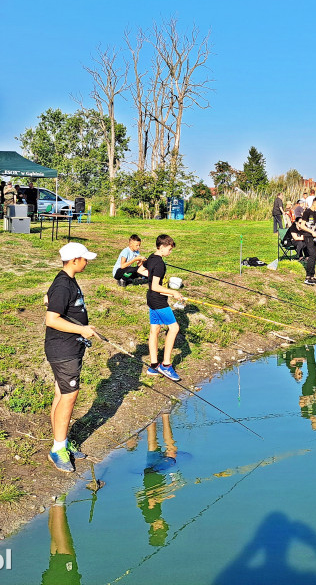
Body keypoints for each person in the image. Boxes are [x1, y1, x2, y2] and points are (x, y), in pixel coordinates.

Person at [44, 241, 98, 473]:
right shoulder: (64, 285)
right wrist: (82, 330)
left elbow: (51, 301)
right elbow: (51, 319)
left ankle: (62, 442)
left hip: (68, 349)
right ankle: (57, 450)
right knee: (69, 395)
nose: (87, 262)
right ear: (74, 260)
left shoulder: (65, 281)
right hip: (63, 350)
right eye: (85, 259)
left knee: (61, 392)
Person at [137, 413, 180, 548]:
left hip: (155, 473)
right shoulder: (148, 517)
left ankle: (165, 416)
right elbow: (140, 499)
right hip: (149, 474)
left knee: (171, 450)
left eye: (162, 528)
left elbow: (151, 498)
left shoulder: (151, 516)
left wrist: (169, 491)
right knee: (152, 443)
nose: (163, 524)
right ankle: (152, 417)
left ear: (156, 529)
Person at [145, 234, 184, 381]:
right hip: (158, 301)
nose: (170, 252)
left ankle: (154, 366)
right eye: (169, 249)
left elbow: (141, 271)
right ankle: (166, 365)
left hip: (151, 299)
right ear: (161, 247)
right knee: (174, 328)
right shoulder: (160, 263)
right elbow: (155, 286)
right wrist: (173, 292)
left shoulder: (151, 258)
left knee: (155, 329)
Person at [43, 493, 82, 585]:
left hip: (64, 579)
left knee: (65, 551)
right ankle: (54, 502)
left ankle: (58, 501)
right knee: (56, 552)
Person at [297, 197, 316, 285]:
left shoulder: (315, 214)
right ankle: (308, 277)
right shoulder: (307, 212)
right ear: (314, 203)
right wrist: (312, 232)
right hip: (308, 236)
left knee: (315, 255)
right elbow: (302, 226)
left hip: (314, 237)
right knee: (311, 255)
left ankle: (312, 276)